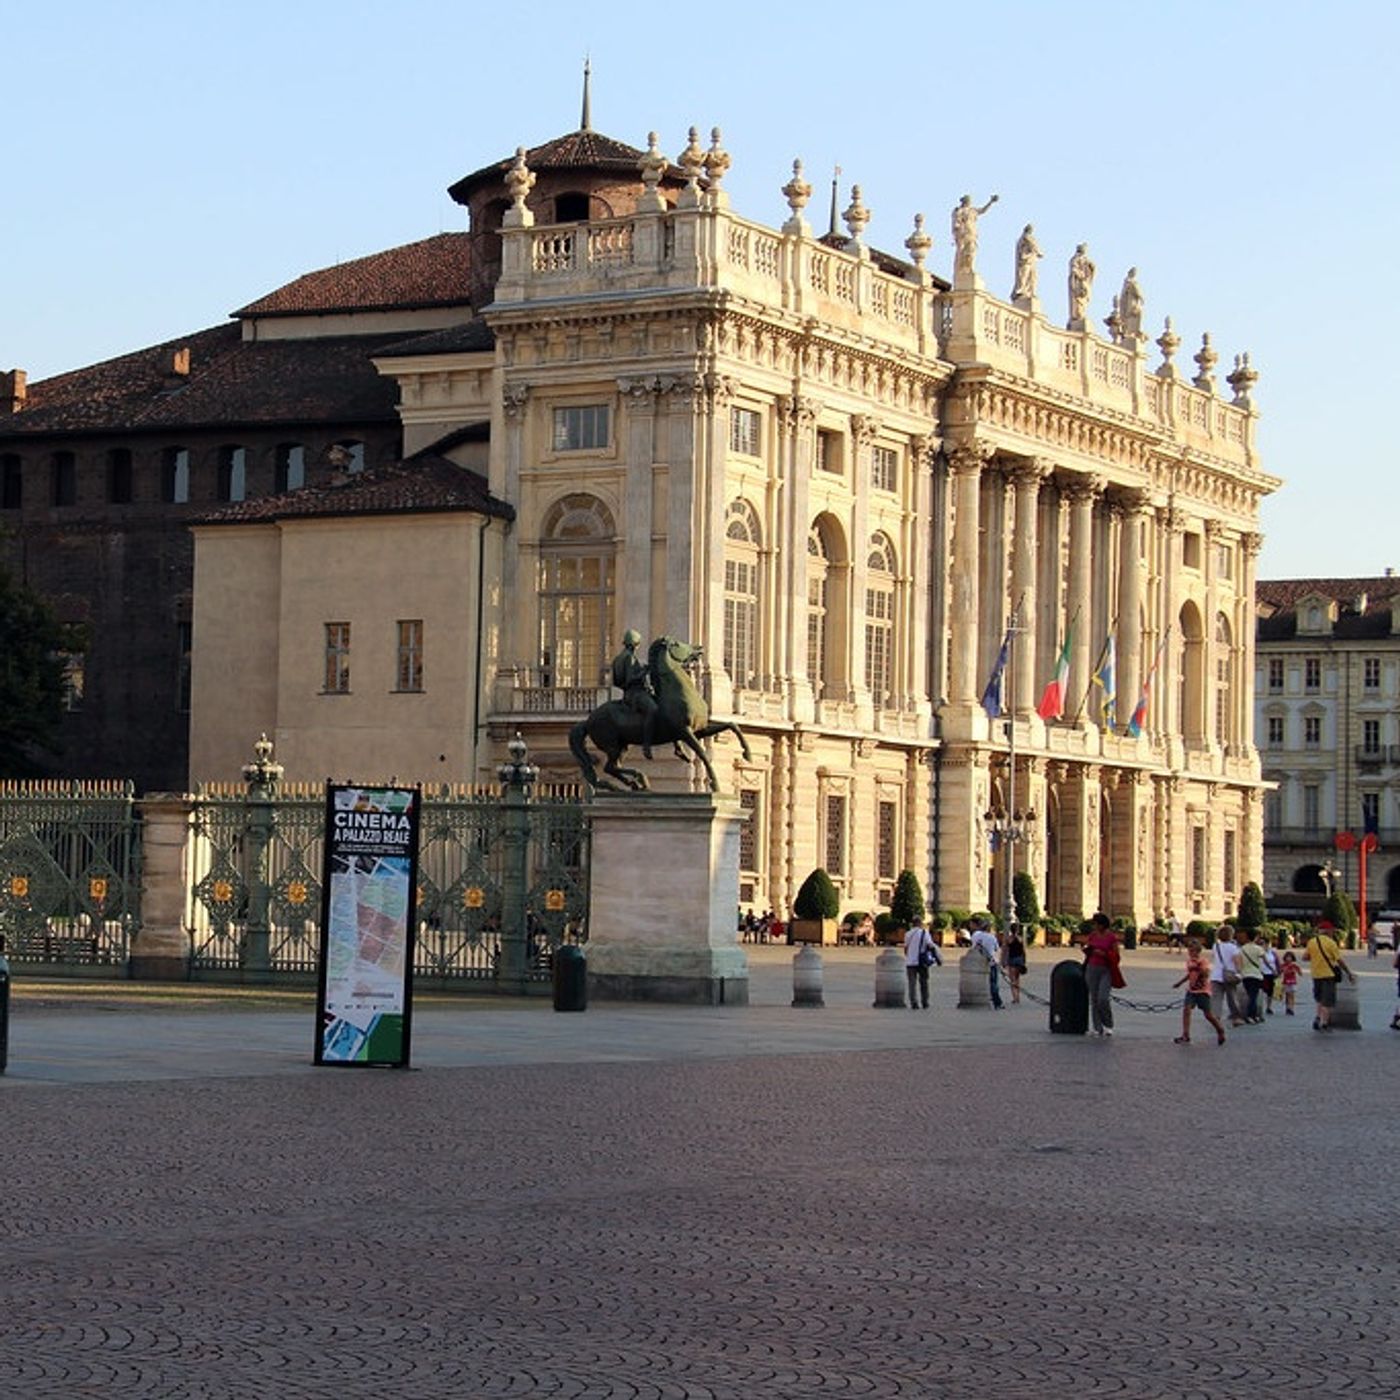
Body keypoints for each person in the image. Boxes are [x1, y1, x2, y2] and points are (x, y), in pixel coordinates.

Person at [610, 629, 657, 759]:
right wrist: (644, 671)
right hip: (635, 694)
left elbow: (616, 681)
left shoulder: (617, 659)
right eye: (637, 645)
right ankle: (646, 744)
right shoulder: (629, 657)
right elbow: (631, 678)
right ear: (634, 644)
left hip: (626, 694)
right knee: (653, 710)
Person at [1172, 936, 1227, 1046]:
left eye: (1193, 951)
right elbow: (1189, 974)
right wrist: (1180, 983)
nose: (1191, 953)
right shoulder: (1189, 962)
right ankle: (1185, 1034)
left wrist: (1202, 969)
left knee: (1208, 1015)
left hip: (1203, 991)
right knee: (1186, 1010)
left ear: (1198, 951)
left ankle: (1220, 1029)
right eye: (1189, 951)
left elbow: (1206, 974)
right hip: (1191, 991)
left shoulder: (1203, 961)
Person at [1303, 919, 1353, 1031]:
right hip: (1328, 975)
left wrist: (1316, 958)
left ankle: (1317, 1018)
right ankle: (1324, 1023)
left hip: (1316, 974)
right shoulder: (1331, 943)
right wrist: (1348, 972)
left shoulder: (1312, 942)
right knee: (1327, 1001)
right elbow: (1339, 960)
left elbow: (1305, 957)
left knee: (1319, 999)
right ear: (1329, 931)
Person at [1081, 913, 1119, 1036]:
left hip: (1106, 969)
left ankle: (1108, 1024)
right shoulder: (1093, 935)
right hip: (1092, 968)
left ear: (1102, 925)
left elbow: (1116, 955)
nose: (1095, 926)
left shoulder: (1111, 937)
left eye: (1096, 924)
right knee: (1094, 999)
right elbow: (1088, 946)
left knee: (1103, 998)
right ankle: (1097, 1027)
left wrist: (1103, 954)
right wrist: (1087, 950)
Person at [951, 192, 999, 277]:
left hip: (972, 233)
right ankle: (959, 270)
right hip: (962, 234)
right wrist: (957, 231)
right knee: (961, 251)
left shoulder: (972, 210)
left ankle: (970, 267)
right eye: (968, 200)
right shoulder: (959, 211)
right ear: (964, 201)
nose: (969, 202)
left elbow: (983, 210)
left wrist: (990, 202)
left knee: (971, 250)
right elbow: (956, 222)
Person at [1210, 924, 1246, 1028]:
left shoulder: (1215, 946)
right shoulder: (1233, 948)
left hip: (1216, 975)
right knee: (1232, 998)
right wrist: (1239, 973)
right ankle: (1236, 1018)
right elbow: (1237, 962)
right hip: (1229, 975)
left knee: (1216, 999)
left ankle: (1215, 1017)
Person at [903, 917, 941, 1010]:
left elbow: (906, 948)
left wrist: (909, 955)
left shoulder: (908, 934)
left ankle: (914, 1002)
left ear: (912, 924)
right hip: (922, 961)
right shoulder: (924, 933)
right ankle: (925, 1002)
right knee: (924, 982)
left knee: (912, 983)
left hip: (910, 962)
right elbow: (930, 945)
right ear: (920, 923)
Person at [969, 919, 1004, 1009]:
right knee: (993, 983)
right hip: (990, 962)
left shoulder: (975, 935)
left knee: (978, 982)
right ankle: (997, 1002)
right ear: (989, 928)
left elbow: (973, 946)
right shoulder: (992, 937)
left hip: (978, 961)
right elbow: (996, 949)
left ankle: (976, 999)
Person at [1239, 929, 1271, 1024]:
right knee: (1253, 996)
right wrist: (1272, 969)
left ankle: (1252, 1015)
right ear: (1255, 938)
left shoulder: (1242, 949)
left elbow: (1240, 962)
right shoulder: (1258, 949)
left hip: (1245, 975)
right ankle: (1251, 1015)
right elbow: (1266, 961)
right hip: (1256, 975)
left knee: (1250, 995)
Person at [1067, 243, 1096, 328]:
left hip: (1084, 282)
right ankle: (1077, 315)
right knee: (1078, 300)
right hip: (1077, 282)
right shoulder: (1075, 259)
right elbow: (1073, 269)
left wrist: (1092, 268)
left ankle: (1081, 314)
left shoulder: (1086, 260)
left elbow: (1092, 270)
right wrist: (1080, 274)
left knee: (1083, 300)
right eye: (1084, 248)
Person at [1012, 224, 1042, 302]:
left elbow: (1033, 246)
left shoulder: (1026, 238)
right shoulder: (1026, 237)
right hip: (1025, 260)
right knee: (1024, 275)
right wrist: (1039, 252)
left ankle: (1030, 291)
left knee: (1032, 276)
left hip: (1030, 260)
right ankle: (1021, 290)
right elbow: (1033, 245)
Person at [1003, 924, 1028, 1005]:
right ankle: (1018, 997)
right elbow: (1023, 951)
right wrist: (1024, 961)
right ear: (1018, 930)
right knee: (1017, 979)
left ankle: (1015, 998)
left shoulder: (1008, 939)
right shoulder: (1021, 939)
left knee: (1012, 980)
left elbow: (1005, 951)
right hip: (1019, 959)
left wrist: (1004, 961)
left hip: (1012, 960)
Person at [1260, 933, 1280, 1015]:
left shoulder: (1273, 952)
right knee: (1261, 990)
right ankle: (1260, 1006)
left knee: (1270, 991)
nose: (1264, 945)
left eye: (1265, 943)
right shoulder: (1259, 952)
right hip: (1261, 973)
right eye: (1262, 944)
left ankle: (1269, 1007)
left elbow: (1277, 962)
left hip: (1271, 973)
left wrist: (1278, 971)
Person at [1280, 950, 1302, 1015]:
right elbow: (1279, 972)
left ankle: (1291, 1008)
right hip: (1286, 982)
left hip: (1292, 982)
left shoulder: (1294, 965)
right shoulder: (1283, 965)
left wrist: (1296, 971)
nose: (1288, 959)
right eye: (1287, 957)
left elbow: (1300, 973)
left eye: (1290, 957)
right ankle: (1287, 1007)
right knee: (1287, 995)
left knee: (1291, 995)